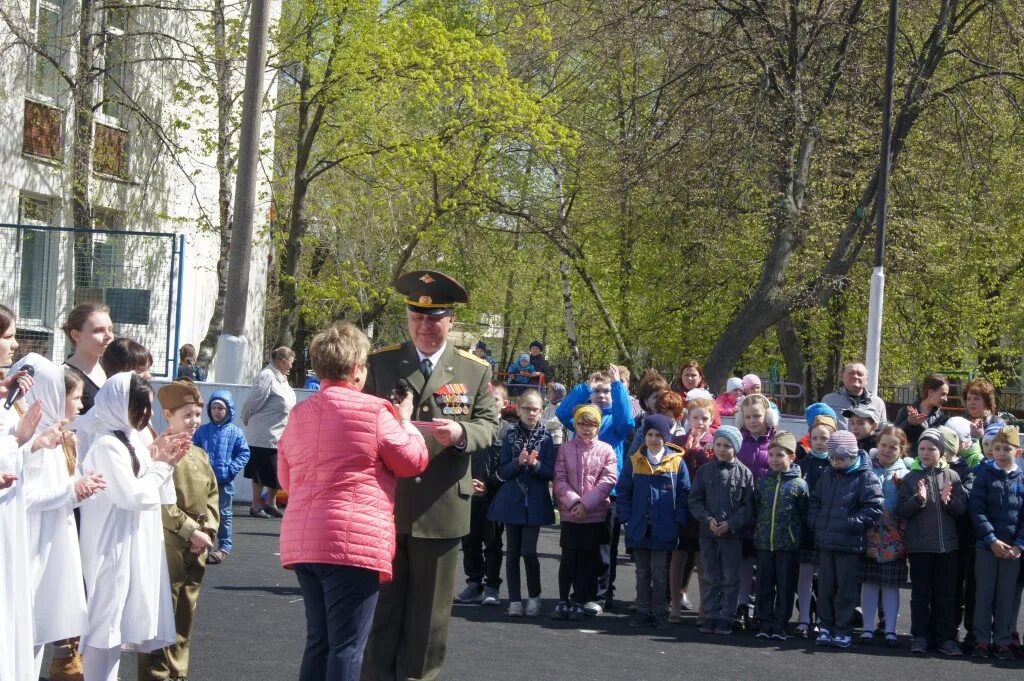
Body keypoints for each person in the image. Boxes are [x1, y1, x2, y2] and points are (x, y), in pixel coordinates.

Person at [360, 270, 498, 681]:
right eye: (416, 317)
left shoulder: (474, 371)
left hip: (441, 507)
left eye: (434, 318)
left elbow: (490, 426)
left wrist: (460, 434)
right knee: (381, 611)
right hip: (386, 505)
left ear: (451, 321)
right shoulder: (380, 363)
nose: (424, 326)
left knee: (429, 620)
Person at [277, 322, 428, 681]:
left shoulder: (299, 414)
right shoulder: (376, 412)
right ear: (358, 369)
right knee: (347, 646)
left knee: (319, 641)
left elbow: (286, 479)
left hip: (303, 540)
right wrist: (406, 421)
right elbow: (412, 460)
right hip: (352, 543)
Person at [76, 373, 190, 681]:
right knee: (104, 627)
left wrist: (160, 459)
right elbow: (133, 495)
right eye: (142, 407)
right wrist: (162, 464)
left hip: (127, 540)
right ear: (120, 405)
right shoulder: (107, 445)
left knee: (115, 626)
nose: (147, 414)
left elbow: (149, 488)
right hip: (110, 544)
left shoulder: (126, 438)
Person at [13, 355, 106, 681]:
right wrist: (73, 492)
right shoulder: (34, 442)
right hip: (33, 548)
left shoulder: (58, 438)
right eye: (75, 397)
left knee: (39, 630)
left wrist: (80, 486)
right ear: (52, 396)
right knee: (25, 633)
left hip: (52, 545)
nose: (81, 404)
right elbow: (26, 497)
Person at [138, 380, 220, 680]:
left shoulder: (199, 454)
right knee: (161, 617)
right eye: (187, 415)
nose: (194, 421)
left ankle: (177, 672)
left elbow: (213, 495)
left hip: (197, 545)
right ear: (167, 415)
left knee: (186, 612)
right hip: (168, 543)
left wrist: (208, 531)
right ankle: (155, 675)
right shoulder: (159, 451)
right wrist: (190, 531)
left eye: (197, 414)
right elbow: (160, 501)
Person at [556, 365, 633, 611]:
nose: (602, 394)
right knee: (579, 550)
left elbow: (627, 420)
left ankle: (602, 593)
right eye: (597, 390)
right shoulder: (581, 419)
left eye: (606, 390)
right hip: (578, 495)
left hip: (606, 492)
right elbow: (562, 412)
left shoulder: (615, 421)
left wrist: (619, 384)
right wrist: (585, 387)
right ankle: (582, 592)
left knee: (604, 548)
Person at [808, 430, 883, 649]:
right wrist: (815, 521)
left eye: (840, 458)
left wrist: (852, 523)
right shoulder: (827, 474)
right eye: (832, 458)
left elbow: (874, 507)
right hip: (826, 540)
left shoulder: (865, 476)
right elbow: (815, 500)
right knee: (825, 588)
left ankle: (843, 629)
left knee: (847, 591)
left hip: (849, 544)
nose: (836, 462)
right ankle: (826, 626)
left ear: (852, 455)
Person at [897, 427, 967, 656]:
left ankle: (945, 638)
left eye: (932, 448)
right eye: (922, 448)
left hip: (948, 548)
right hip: (920, 548)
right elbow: (902, 510)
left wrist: (950, 502)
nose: (926, 453)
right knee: (920, 595)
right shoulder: (911, 478)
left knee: (946, 595)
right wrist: (918, 500)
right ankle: (920, 636)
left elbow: (961, 510)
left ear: (942, 452)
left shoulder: (952, 477)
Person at [618, 414, 690, 629]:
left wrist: (678, 520)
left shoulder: (676, 463)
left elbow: (685, 493)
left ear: (666, 437)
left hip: (665, 527)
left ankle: (660, 611)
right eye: (649, 434)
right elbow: (623, 492)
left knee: (660, 572)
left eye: (659, 435)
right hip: (639, 527)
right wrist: (627, 519)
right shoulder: (634, 461)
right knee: (642, 571)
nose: (653, 439)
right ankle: (642, 610)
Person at [488, 389, 555, 617]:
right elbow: (503, 471)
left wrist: (535, 465)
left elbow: (550, 472)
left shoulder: (546, 438)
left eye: (535, 408)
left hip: (535, 502)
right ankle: (515, 600)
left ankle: (534, 597)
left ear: (541, 411)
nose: (531, 412)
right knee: (513, 552)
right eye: (526, 408)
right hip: (512, 502)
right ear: (518, 409)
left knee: (529, 551)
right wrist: (518, 463)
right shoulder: (510, 436)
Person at [551, 404, 617, 621]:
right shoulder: (565, 448)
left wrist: (586, 505)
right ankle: (563, 600)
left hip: (595, 515)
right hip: (571, 515)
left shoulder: (606, 450)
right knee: (568, 558)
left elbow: (607, 481)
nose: (587, 429)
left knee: (588, 560)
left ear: (598, 426)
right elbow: (559, 479)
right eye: (582, 424)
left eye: (592, 425)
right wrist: (574, 503)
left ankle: (580, 600)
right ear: (574, 425)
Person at [688, 425, 754, 636]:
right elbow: (695, 499)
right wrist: (707, 520)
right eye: (718, 444)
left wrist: (731, 524)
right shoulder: (705, 470)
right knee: (710, 576)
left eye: (727, 446)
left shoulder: (745, 474)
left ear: (736, 448)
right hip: (708, 534)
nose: (722, 449)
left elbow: (748, 506)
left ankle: (726, 617)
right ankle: (710, 616)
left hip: (732, 536)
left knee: (730, 578)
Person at [968, 425, 1024, 661]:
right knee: (985, 594)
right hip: (987, 547)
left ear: (1018, 453)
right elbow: (977, 510)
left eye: (1007, 449)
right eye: (997, 448)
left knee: (1006, 597)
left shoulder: (1021, 479)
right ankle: (981, 639)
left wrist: (1019, 544)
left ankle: (1003, 640)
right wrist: (991, 539)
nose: (1001, 453)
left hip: (1013, 550)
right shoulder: (984, 475)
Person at [453, 383, 512, 606]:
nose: (491, 403)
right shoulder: (471, 427)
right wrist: (467, 481)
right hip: (469, 493)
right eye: (487, 399)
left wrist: (490, 484)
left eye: (495, 399)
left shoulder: (508, 432)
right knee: (469, 542)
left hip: (495, 496)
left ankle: (492, 587)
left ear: (504, 404)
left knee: (493, 543)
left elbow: (508, 465)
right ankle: (474, 584)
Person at [753, 431, 808, 641]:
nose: (774, 459)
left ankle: (781, 624)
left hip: (788, 545)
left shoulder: (799, 485)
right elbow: (757, 508)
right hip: (765, 543)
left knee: (785, 586)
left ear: (792, 457)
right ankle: (765, 622)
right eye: (772, 454)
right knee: (764, 585)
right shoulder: (763, 482)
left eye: (780, 455)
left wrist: (796, 537)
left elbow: (804, 514)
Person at [859, 425, 909, 647]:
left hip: (894, 539)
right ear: (877, 445)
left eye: (893, 447)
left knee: (890, 586)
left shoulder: (906, 475)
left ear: (902, 449)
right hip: (868, 537)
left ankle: (890, 630)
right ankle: (867, 628)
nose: (887, 450)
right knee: (869, 584)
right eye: (883, 445)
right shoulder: (865, 470)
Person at [671, 397, 716, 623]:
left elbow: (710, 471)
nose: (699, 422)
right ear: (687, 418)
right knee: (678, 557)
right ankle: (675, 606)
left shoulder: (714, 442)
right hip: (681, 506)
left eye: (704, 418)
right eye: (695, 417)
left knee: (702, 560)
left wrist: (697, 450)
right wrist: (685, 450)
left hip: (704, 509)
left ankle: (703, 610)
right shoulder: (677, 440)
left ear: (711, 420)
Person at [192, 389, 251, 563]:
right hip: (204, 482)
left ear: (229, 410)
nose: (216, 412)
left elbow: (244, 453)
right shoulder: (202, 431)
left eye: (221, 408)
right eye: (214, 408)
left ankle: (224, 546)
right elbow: (193, 451)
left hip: (225, 482)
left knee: (224, 515)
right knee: (202, 513)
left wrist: (231, 469)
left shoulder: (235, 432)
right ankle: (202, 543)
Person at [734, 392, 778, 625]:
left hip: (766, 510)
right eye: (748, 416)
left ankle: (759, 607)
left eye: (757, 416)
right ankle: (741, 605)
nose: (753, 420)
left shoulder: (777, 441)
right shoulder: (738, 441)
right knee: (743, 562)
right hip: (742, 509)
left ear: (767, 416)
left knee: (763, 564)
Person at [241, 346, 296, 519]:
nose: (292, 366)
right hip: (264, 434)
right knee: (260, 471)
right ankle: (256, 504)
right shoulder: (267, 376)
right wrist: (246, 417)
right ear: (281, 361)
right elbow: (254, 401)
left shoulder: (282, 379)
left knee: (277, 472)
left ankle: (271, 503)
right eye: (290, 363)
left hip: (280, 434)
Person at [794, 412, 837, 637]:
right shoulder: (801, 465)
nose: (820, 443)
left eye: (825, 438)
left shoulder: (837, 466)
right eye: (816, 438)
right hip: (806, 530)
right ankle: (803, 619)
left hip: (828, 530)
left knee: (826, 578)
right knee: (805, 577)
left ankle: (822, 618)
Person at [62, 302, 115, 414]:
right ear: (76, 335)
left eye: (110, 329)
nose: (109, 336)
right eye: (99, 330)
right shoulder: (63, 376)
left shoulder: (112, 371)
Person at [823, 362, 889, 431]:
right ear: (843, 377)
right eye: (851, 373)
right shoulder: (829, 400)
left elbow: (883, 431)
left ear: (866, 380)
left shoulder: (878, 403)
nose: (855, 376)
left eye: (860, 374)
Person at [895, 373, 950, 452]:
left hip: (927, 463)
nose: (946, 399)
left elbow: (938, 444)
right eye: (943, 394)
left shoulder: (942, 419)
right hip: (905, 460)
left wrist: (923, 427)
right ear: (930, 392)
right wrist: (908, 422)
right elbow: (893, 436)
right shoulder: (905, 411)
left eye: (946, 395)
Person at [541, 382, 567, 448]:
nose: (548, 393)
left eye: (551, 391)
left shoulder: (562, 408)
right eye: (548, 391)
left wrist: (538, 420)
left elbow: (553, 423)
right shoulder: (548, 407)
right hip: (544, 439)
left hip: (556, 441)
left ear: (558, 394)